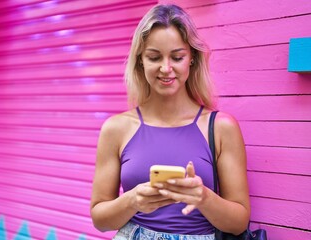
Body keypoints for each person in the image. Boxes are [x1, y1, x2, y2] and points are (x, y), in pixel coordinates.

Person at [90, 4, 250, 240]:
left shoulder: (221, 127)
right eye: (154, 57)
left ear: (192, 59)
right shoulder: (116, 128)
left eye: (177, 57)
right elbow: (99, 219)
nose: (166, 69)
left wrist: (203, 198)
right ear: (141, 60)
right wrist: (132, 200)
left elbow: (239, 223)